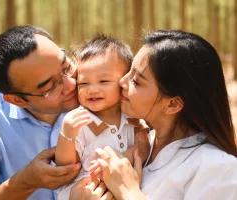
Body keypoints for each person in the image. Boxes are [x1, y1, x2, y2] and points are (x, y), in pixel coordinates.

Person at [87, 30, 237, 200]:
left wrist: (128, 192)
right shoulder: (135, 141)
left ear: (172, 104)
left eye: (136, 81)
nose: (122, 82)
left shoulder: (217, 168)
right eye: (129, 72)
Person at [0, 25, 84, 200]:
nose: (71, 85)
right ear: (17, 100)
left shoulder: (98, 90)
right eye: (50, 86)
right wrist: (27, 182)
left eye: (66, 66)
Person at [55, 35, 150, 199]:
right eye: (83, 84)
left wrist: (120, 161)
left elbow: (144, 148)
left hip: (124, 186)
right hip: (86, 188)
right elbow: (66, 166)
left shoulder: (132, 116)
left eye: (103, 81)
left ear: (124, 81)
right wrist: (67, 136)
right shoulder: (80, 120)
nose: (92, 90)